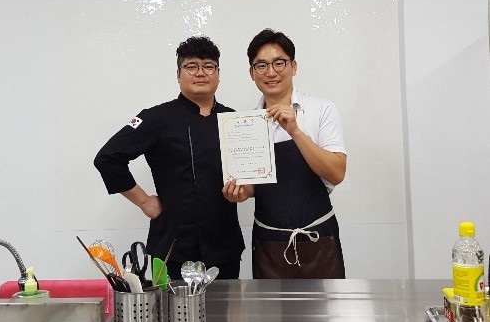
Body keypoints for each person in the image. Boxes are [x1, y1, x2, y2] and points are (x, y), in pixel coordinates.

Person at [94, 36, 244, 280]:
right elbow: (108, 158)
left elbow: (252, 172)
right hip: (171, 248)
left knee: (224, 306)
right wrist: (144, 202)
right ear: (178, 74)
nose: (201, 73)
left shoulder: (235, 120)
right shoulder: (155, 118)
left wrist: (245, 190)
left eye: (208, 66)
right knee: (168, 306)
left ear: (218, 73)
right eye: (191, 66)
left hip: (223, 247)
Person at [223, 28, 347, 279]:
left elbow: (336, 173)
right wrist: (242, 192)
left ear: (294, 66)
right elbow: (255, 184)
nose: (271, 72)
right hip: (268, 243)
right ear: (252, 73)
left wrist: (295, 131)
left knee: (326, 306)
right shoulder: (245, 126)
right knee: (270, 307)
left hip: (319, 238)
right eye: (261, 65)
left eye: (279, 63)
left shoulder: (322, 109)